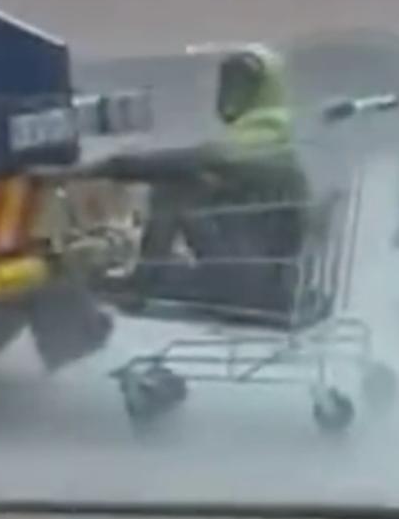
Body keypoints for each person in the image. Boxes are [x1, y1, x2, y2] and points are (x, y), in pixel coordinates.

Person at [94, 46, 311, 320]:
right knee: (190, 191)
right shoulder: (276, 134)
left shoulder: (262, 141)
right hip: (270, 284)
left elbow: (189, 162)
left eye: (240, 84)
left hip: (249, 291)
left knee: (175, 189)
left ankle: (139, 287)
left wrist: (104, 168)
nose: (230, 92)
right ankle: (140, 281)